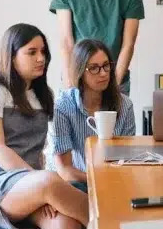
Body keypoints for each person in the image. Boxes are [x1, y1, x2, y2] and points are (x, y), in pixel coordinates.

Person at [0, 24, 87, 229]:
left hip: (28, 189)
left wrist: (40, 187)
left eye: (44, 52)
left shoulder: (41, 96)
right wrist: (38, 183)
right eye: (32, 52)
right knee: (50, 180)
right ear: (11, 55)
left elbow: (37, 153)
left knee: (68, 226)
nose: (41, 58)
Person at [47, 39, 135, 192]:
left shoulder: (125, 105)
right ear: (80, 71)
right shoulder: (62, 106)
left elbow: (126, 159)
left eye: (106, 66)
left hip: (113, 180)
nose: (103, 73)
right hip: (72, 183)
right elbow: (65, 171)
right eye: (94, 68)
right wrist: (99, 179)